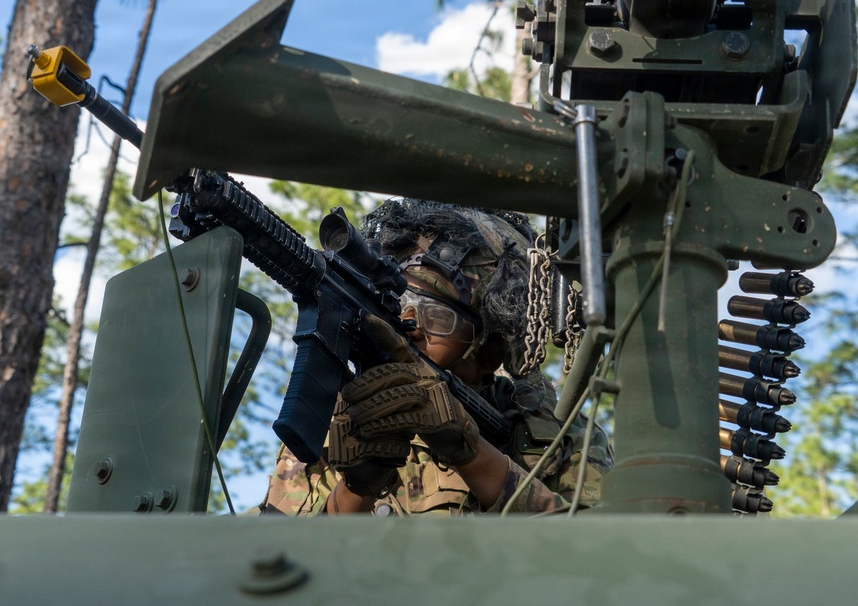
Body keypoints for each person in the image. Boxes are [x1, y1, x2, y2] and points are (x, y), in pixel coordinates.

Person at [260, 199, 613, 515]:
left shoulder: (562, 435)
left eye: (435, 315)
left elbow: (601, 562)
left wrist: (471, 454)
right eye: (398, 306)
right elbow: (278, 567)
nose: (407, 323)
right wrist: (357, 487)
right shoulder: (328, 429)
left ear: (488, 353)